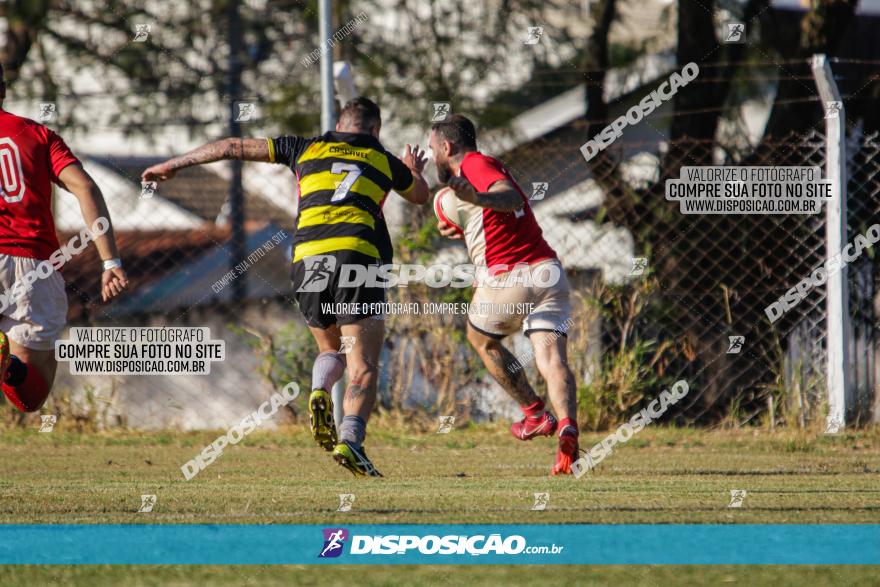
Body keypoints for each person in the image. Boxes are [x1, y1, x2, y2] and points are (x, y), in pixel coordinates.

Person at [142, 97, 429, 477]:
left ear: (339, 124)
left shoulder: (304, 147)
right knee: (363, 366)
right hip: (359, 255)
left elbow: (232, 147)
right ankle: (351, 439)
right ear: (374, 130)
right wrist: (412, 170)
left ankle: (319, 389)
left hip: (308, 255)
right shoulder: (385, 160)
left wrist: (173, 164)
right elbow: (421, 195)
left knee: (330, 348)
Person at [429, 114, 579, 474]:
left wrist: (477, 196)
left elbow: (508, 197)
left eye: (433, 148)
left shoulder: (474, 165)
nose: (432, 154)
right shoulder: (478, 173)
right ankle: (567, 428)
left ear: (447, 147)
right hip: (548, 273)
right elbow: (491, 214)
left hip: (512, 277)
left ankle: (535, 415)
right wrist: (463, 220)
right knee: (551, 359)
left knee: (481, 340)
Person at [0, 63, 129, 414]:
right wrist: (110, 261)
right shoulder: (38, 135)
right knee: (31, 397)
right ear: (3, 88)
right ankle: (8, 367)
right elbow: (85, 187)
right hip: (31, 266)